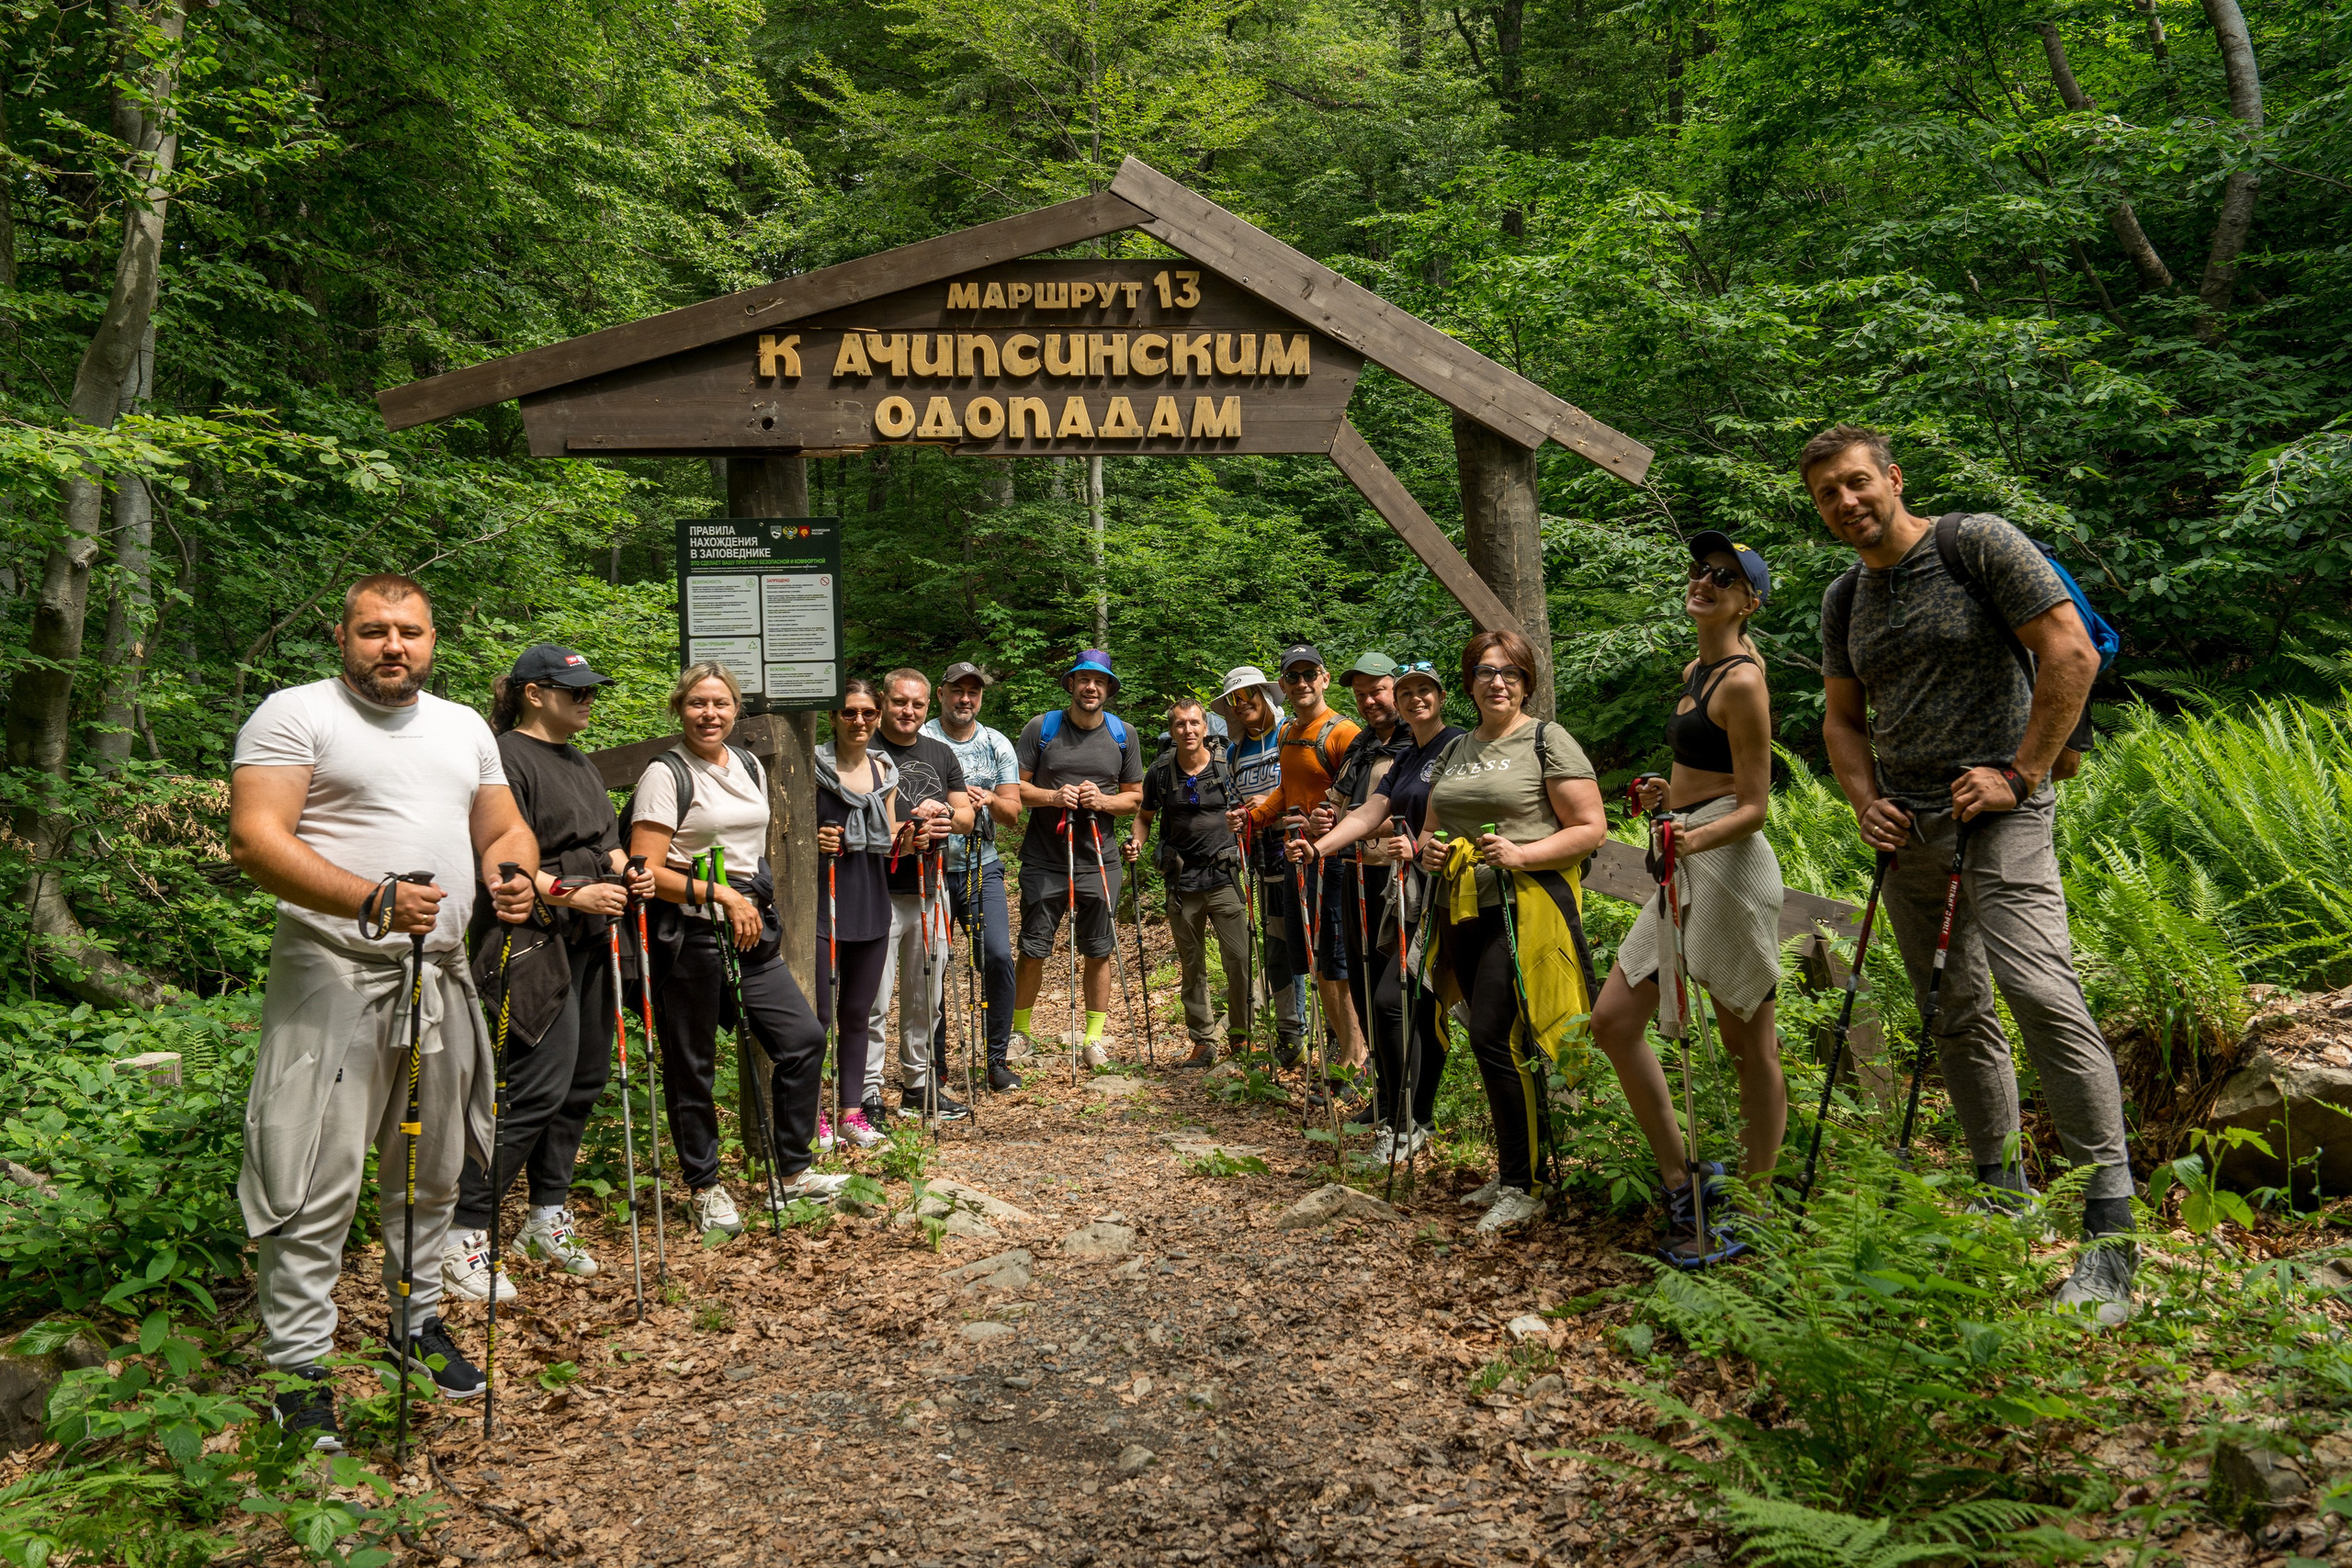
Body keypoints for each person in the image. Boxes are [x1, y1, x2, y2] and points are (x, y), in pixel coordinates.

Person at [1805, 423, 2136, 1325]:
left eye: (1855, 482)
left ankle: (2110, 1237)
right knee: (1954, 1011)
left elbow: (2071, 651)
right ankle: (2002, 1191)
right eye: (1827, 494)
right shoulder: (1844, 599)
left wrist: (2021, 773)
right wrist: (1860, 796)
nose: (1845, 502)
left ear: (1891, 478)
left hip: (2003, 810)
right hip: (1907, 825)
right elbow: (1841, 718)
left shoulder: (1977, 543)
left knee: (2039, 990)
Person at [230, 573, 537, 1451]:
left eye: (409, 631)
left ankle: (416, 1322)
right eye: (374, 630)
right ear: (343, 636)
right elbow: (256, 837)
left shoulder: (463, 725)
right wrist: (371, 897)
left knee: (432, 1169)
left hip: (438, 972)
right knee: (311, 1175)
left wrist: (513, 871)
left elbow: (502, 827)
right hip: (333, 969)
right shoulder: (296, 714)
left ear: (433, 639)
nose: (393, 646)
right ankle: (297, 1367)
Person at [1588, 536, 1787, 1266]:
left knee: (1747, 1044)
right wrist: (1666, 797)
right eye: (1701, 570)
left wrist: (1690, 840)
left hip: (1727, 863)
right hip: (1687, 850)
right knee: (1612, 1021)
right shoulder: (1694, 670)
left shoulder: (1742, 681)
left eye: (1724, 577)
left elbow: (1756, 805)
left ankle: (1758, 1209)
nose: (1704, 582)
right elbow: (1710, 780)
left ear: (1748, 601)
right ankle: (1685, 1183)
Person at [442, 645, 658, 1306]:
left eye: (592, 689)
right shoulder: (505, 756)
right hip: (531, 939)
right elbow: (499, 856)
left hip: (592, 937)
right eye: (576, 690)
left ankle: (546, 1214)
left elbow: (608, 842)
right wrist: (572, 893)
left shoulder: (580, 760)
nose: (588, 699)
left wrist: (630, 872)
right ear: (535, 692)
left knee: (584, 1078)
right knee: (534, 1085)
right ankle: (461, 1231)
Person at [628, 664, 835, 1238]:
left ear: (736, 709)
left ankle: (792, 1170)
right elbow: (643, 868)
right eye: (697, 703)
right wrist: (718, 893)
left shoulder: (745, 763)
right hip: (690, 934)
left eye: (720, 703)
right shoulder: (665, 775)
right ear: (679, 708)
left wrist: (747, 897)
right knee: (691, 1065)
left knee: (802, 1040)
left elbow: (753, 843)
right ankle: (704, 1186)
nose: (709, 714)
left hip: (747, 928)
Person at [1416, 630, 1608, 1235]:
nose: (1498, 682)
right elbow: (1431, 825)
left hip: (1527, 903)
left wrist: (1523, 854)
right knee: (1489, 1035)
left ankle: (1526, 1184)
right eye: (1486, 671)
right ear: (1469, 681)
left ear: (1527, 683)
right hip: (1462, 902)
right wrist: (1427, 850)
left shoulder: (1547, 740)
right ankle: (1512, 1172)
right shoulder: (1455, 750)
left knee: (1498, 1033)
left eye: (1512, 674)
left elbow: (1590, 827)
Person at [1298, 660, 1464, 1161]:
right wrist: (1321, 846)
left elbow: (1454, 812)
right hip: (1399, 893)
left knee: (1403, 1001)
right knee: (1392, 999)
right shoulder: (1404, 752)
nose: (1412, 699)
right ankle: (1404, 1114)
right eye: (1407, 691)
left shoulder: (1456, 744)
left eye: (1421, 690)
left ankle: (1410, 1116)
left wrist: (1417, 842)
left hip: (1442, 890)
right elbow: (1372, 811)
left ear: (1440, 694)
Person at [1012, 650, 1145, 1069]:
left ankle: (1093, 1038)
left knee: (1098, 949)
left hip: (1100, 860)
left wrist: (1103, 801)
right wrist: (1053, 796)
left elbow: (1135, 798)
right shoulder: (1042, 728)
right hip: (1044, 858)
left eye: (1099, 681)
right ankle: (1020, 1032)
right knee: (1033, 947)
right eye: (1084, 680)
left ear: (1108, 689)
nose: (1091, 687)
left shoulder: (1124, 734)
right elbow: (1013, 789)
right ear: (1071, 684)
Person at [1239, 645, 1361, 1088]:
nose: (1302, 683)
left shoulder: (1344, 733)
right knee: (1312, 959)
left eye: (1310, 674)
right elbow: (1286, 791)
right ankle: (1346, 1052)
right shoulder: (1289, 731)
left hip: (1333, 861)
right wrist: (1255, 816)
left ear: (1325, 679)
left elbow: (1364, 800)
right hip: (1296, 858)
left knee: (1335, 959)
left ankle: (1355, 1054)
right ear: (1284, 687)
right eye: (1293, 677)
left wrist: (1328, 824)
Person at [868, 670, 974, 1122]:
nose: (908, 711)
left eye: (917, 704)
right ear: (883, 702)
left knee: (925, 996)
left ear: (928, 707)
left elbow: (967, 815)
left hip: (931, 890)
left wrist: (946, 812)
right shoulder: (863, 748)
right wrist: (905, 828)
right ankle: (867, 1091)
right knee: (872, 998)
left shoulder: (940, 752)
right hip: (876, 891)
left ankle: (918, 1085)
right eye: (899, 702)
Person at [1131, 697, 1251, 1066]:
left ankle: (1242, 1037)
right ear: (1172, 729)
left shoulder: (1225, 766)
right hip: (1181, 880)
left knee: (1240, 959)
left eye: (1194, 723)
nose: (1188, 730)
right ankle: (1202, 1039)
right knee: (1191, 962)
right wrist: (1136, 841)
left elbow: (1251, 809)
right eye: (1180, 724)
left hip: (1224, 875)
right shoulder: (1161, 772)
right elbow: (1145, 816)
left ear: (1205, 727)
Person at [923, 661, 1025, 1091]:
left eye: (974, 692)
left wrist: (985, 800)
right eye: (957, 691)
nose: (965, 699)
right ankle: (935, 1065)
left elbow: (1014, 813)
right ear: (941, 694)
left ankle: (997, 1059)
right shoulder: (922, 738)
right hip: (929, 869)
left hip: (981, 867)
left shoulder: (997, 744)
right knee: (933, 965)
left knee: (999, 957)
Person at [1319, 652, 1408, 1120]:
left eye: (1378, 690)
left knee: (1394, 993)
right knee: (1362, 979)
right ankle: (1385, 1093)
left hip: (1400, 878)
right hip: (1353, 875)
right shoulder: (1362, 746)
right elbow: (1336, 802)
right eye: (1361, 695)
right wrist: (1323, 817)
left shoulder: (1420, 745)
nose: (1370, 701)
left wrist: (1356, 826)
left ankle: (1409, 1098)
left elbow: (1420, 815)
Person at [813, 680, 899, 1149]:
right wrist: (814, 839)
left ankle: (850, 1112)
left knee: (857, 1011)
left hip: (870, 894)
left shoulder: (884, 770)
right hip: (823, 898)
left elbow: (886, 835)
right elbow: (785, 831)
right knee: (819, 1014)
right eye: (850, 712)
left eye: (869, 712)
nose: (860, 721)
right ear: (833, 716)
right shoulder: (809, 765)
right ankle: (814, 1113)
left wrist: (918, 836)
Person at [1211, 665, 1303, 1058]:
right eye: (1234, 698)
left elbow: (1305, 788)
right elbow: (1234, 801)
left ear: (1266, 695)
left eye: (1249, 694)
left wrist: (1265, 809)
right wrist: (1236, 816)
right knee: (1278, 944)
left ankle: (1337, 1038)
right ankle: (1291, 1034)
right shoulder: (1233, 752)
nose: (1242, 703)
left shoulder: (1290, 735)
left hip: (1302, 850)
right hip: (1263, 859)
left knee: (1314, 942)